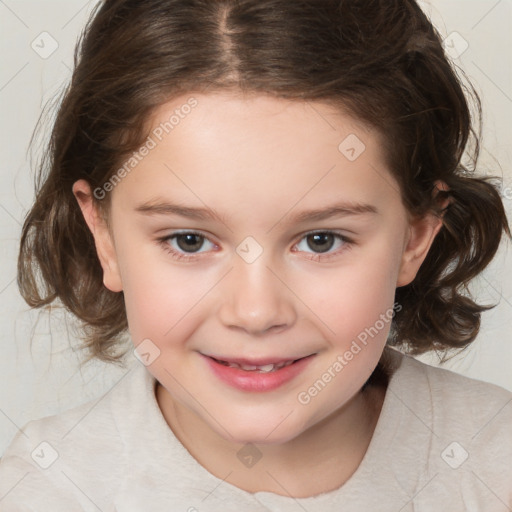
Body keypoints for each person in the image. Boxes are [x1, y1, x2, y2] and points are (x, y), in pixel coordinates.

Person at [1, 0, 511, 510]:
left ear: (416, 237)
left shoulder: (494, 464)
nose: (256, 312)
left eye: (320, 240)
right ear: (104, 236)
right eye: (189, 240)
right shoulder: (42, 491)